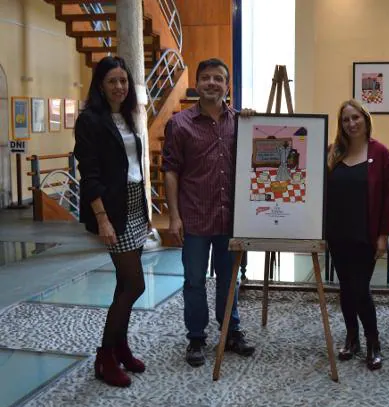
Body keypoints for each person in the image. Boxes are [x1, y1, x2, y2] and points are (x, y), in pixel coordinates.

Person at [162, 58, 255, 367]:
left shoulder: (241, 122)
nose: (212, 83)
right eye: (206, 78)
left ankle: (231, 331)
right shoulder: (179, 124)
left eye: (219, 78)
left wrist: (256, 124)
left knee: (230, 280)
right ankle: (197, 338)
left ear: (227, 85)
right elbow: (171, 171)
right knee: (194, 281)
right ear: (197, 83)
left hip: (231, 219)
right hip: (195, 217)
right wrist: (174, 216)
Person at [74, 56, 149, 387]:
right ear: (100, 86)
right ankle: (105, 357)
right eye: (112, 81)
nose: (119, 87)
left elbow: (135, 168)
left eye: (123, 81)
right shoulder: (90, 120)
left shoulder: (130, 118)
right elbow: (89, 175)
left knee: (124, 285)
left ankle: (120, 346)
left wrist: (145, 213)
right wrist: (102, 219)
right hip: (112, 211)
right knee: (135, 284)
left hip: (134, 206)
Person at [326, 99, 389, 370]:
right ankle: (352, 338)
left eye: (356, 118)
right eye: (346, 120)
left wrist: (383, 236)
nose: (351, 123)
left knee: (360, 289)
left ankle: (373, 342)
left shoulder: (380, 153)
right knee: (346, 288)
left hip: (365, 234)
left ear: (365, 120)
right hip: (338, 233)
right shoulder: (333, 153)